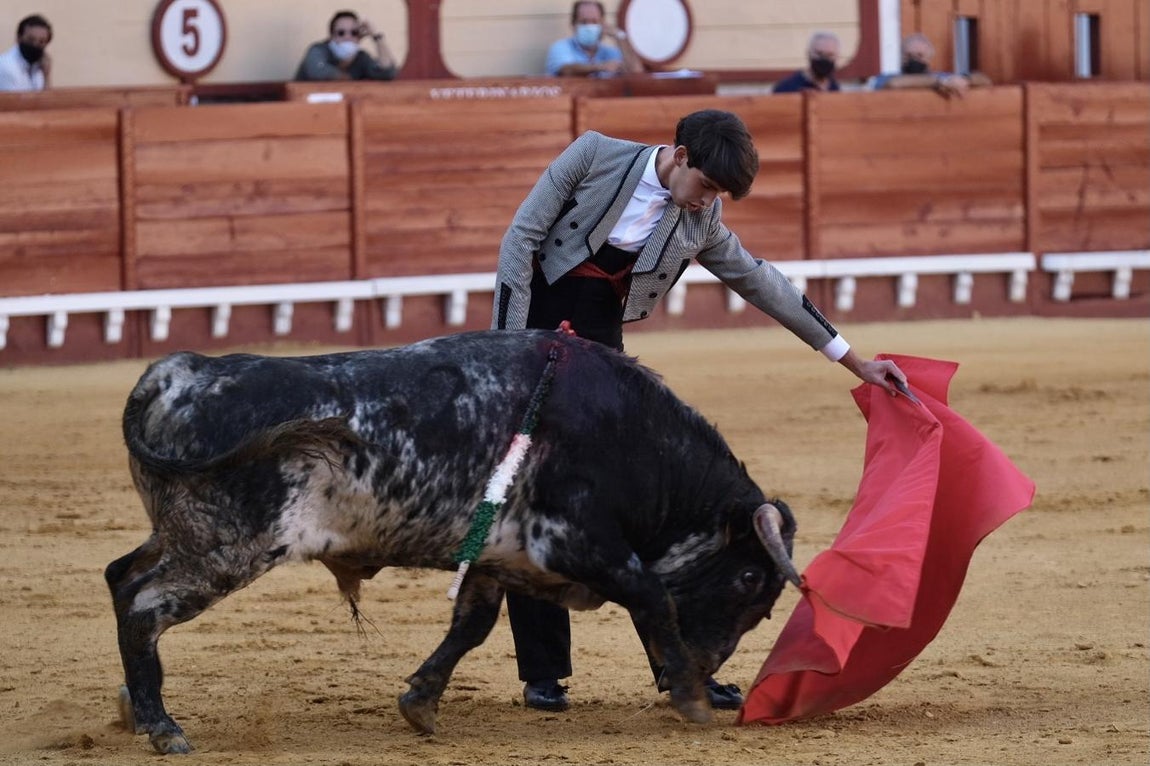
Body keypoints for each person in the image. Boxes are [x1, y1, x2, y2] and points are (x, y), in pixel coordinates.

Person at [492, 109, 907, 714]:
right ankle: (543, 674)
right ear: (681, 155)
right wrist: (509, 358)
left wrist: (853, 360)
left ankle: (679, 668)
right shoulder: (593, 155)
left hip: (604, 360)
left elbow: (762, 282)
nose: (709, 202)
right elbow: (520, 243)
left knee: (640, 510)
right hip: (527, 338)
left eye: (719, 195)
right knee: (533, 499)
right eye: (707, 185)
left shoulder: (701, 218)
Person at [870, 33, 992, 98]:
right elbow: (893, 84)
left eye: (920, 56)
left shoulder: (943, 77)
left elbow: (984, 80)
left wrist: (964, 79)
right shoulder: (886, 78)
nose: (914, 60)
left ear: (929, 58)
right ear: (901, 57)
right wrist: (940, 82)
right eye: (908, 55)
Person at [546, 0, 643, 78]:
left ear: (602, 24)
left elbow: (637, 72)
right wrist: (600, 67)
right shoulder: (561, 47)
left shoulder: (610, 52)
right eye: (584, 22)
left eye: (594, 22)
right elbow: (566, 70)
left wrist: (619, 36)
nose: (589, 26)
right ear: (573, 24)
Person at [295, 10, 397, 82]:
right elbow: (318, 72)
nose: (347, 37)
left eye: (354, 33)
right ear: (331, 37)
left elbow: (388, 72)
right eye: (341, 33)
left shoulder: (361, 57)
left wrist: (376, 36)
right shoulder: (318, 50)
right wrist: (347, 67)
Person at [772, 31, 841, 93]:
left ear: (837, 57)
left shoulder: (835, 89)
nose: (824, 59)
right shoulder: (786, 88)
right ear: (808, 54)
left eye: (830, 55)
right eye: (819, 54)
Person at [0, 14, 51, 92]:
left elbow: (47, 98)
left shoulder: (39, 66)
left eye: (41, 42)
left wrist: (46, 76)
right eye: (30, 40)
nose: (35, 45)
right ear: (19, 38)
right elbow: (14, 99)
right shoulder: (5, 66)